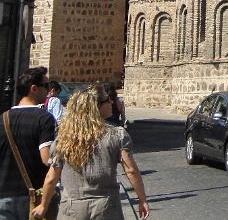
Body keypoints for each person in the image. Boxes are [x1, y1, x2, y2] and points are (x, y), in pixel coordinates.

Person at [31, 85, 150, 220]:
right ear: (96, 106)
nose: (111, 102)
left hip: (71, 207)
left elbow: (51, 177)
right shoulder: (117, 135)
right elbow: (131, 171)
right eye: (107, 100)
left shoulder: (64, 138)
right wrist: (142, 199)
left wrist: (43, 206)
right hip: (106, 206)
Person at [0, 67, 56, 220]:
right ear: (34, 89)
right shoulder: (44, 119)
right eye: (46, 86)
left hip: (4, 196)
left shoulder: (3, 118)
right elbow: (47, 159)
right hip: (33, 197)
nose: (49, 90)